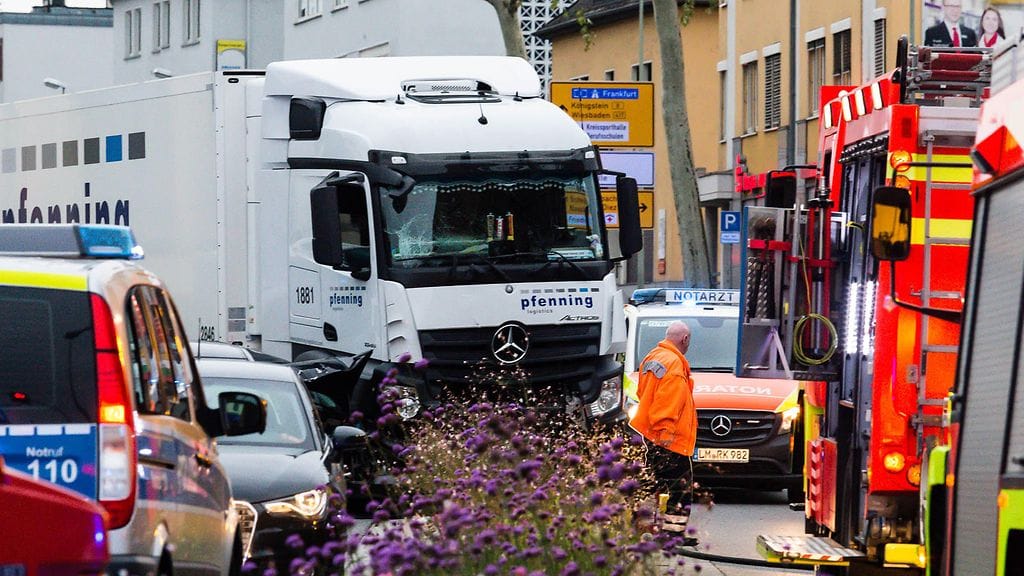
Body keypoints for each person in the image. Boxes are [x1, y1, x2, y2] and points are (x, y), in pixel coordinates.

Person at [630, 320, 698, 539]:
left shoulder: (653, 357)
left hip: (650, 432)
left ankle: (641, 527)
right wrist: (666, 430)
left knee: (652, 481)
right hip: (669, 438)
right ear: (685, 339)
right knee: (680, 487)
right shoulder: (675, 364)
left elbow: (644, 393)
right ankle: (673, 534)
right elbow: (669, 400)